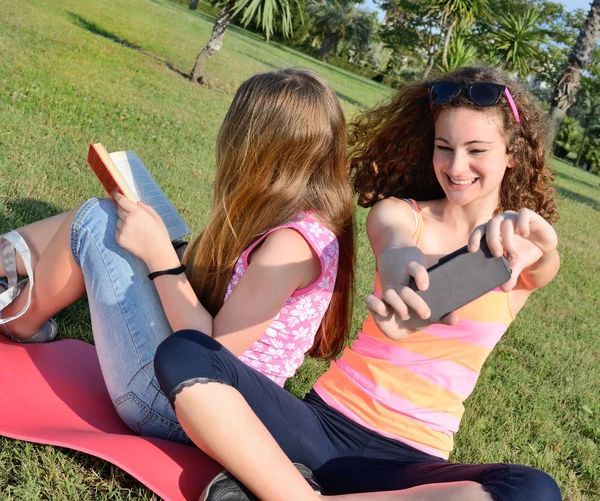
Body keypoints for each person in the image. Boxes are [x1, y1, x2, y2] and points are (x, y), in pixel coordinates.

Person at [153, 66, 562, 500]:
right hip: (321, 426)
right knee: (187, 352)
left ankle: (279, 487)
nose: (456, 166)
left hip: (412, 465)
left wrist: (543, 241)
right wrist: (405, 279)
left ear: (513, 152)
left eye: (476, 150)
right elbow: (397, 248)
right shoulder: (399, 214)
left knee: (531, 490)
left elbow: (544, 260)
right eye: (444, 148)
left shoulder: (522, 252)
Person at [0, 69, 355, 444]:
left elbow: (210, 350)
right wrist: (169, 249)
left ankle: (18, 320)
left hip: (178, 406)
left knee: (97, 220)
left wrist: (159, 255)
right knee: (108, 214)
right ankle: (5, 263)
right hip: (198, 399)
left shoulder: (290, 246)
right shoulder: (304, 219)